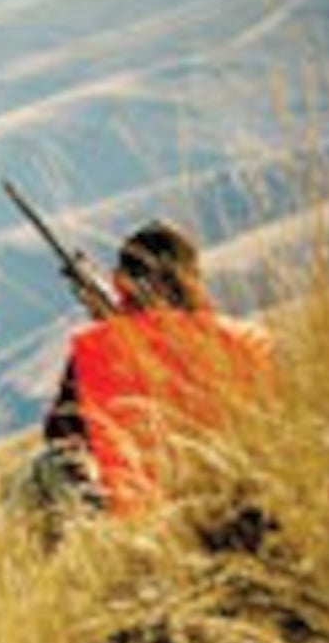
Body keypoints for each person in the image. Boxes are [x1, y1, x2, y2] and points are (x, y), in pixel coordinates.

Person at [25, 221, 274, 524]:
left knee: (44, 467)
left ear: (122, 283)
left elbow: (61, 432)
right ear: (193, 277)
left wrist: (114, 328)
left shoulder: (96, 346)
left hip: (137, 515)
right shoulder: (247, 340)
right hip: (237, 500)